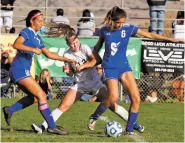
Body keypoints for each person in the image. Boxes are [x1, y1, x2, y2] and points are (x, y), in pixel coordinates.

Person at [88, 6, 183, 135]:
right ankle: (94, 117)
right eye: (118, 22)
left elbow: (149, 34)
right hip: (109, 67)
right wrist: (90, 61)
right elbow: (96, 49)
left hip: (124, 67)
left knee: (136, 99)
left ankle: (129, 130)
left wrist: (170, 39)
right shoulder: (104, 31)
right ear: (112, 20)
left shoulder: (129, 29)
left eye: (122, 22)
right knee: (113, 97)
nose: (120, 25)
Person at [31, 30, 144, 134]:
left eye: (76, 42)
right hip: (80, 84)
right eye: (72, 44)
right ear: (68, 44)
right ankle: (43, 126)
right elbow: (70, 73)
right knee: (63, 105)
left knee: (112, 103)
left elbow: (97, 60)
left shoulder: (84, 47)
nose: (75, 45)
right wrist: (68, 71)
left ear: (78, 39)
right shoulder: (67, 55)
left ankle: (133, 124)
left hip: (95, 83)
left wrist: (83, 66)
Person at [2, 9, 76, 135]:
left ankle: (9, 110)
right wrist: (33, 49)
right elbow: (16, 45)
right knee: (42, 95)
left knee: (35, 98)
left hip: (22, 71)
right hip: (19, 69)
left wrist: (66, 59)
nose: (42, 24)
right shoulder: (27, 32)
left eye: (43, 21)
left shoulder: (37, 37)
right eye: (40, 21)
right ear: (32, 21)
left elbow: (49, 54)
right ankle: (52, 126)